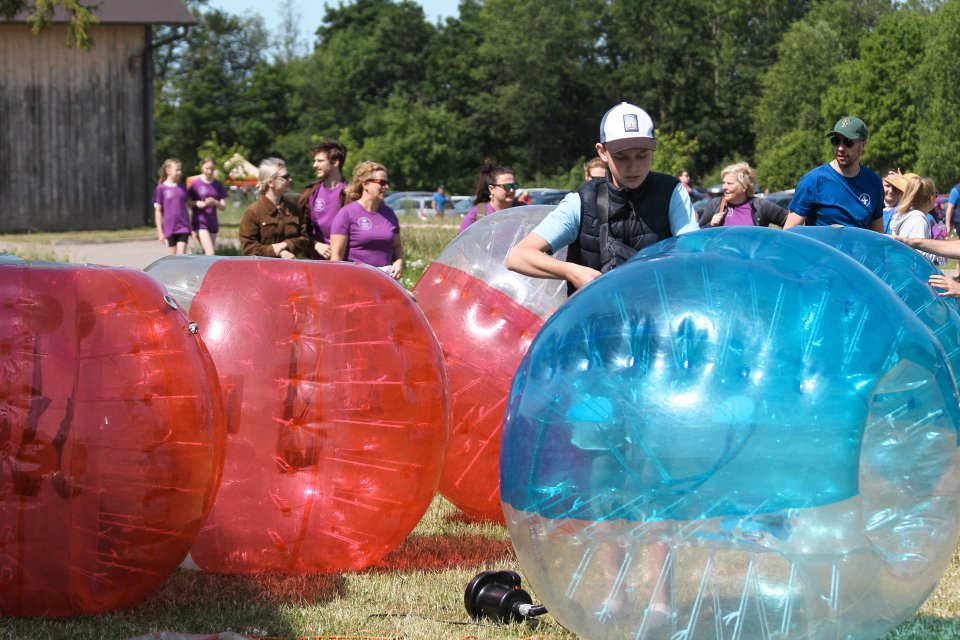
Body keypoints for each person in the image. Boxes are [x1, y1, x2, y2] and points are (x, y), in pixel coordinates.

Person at [505, 102, 698, 293]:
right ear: (602, 152)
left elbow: (693, 256)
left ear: (653, 148)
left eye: (642, 155)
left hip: (658, 314)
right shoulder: (582, 200)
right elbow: (517, 257)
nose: (633, 167)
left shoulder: (672, 191)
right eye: (621, 157)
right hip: (596, 319)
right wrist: (574, 272)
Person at [782, 116, 884, 231]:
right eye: (835, 141)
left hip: (858, 249)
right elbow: (789, 232)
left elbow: (878, 237)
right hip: (821, 249)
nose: (840, 148)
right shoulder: (813, 180)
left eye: (848, 142)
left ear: (862, 145)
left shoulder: (874, 183)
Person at [330, 161, 404, 280]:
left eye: (387, 183)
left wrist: (399, 261)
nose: (386, 187)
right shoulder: (347, 213)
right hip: (356, 280)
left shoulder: (389, 213)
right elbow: (336, 257)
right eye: (382, 183)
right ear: (365, 184)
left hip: (385, 281)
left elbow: (397, 246)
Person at [238, 158, 312, 258]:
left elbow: (305, 238)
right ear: (270, 182)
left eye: (289, 176)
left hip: (290, 269)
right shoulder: (253, 212)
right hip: (262, 270)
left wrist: (287, 244)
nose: (290, 180)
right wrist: (277, 252)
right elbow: (248, 247)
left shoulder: (294, 209)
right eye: (285, 177)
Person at [297, 138, 347, 260]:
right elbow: (299, 228)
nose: (315, 165)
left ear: (335, 162)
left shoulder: (351, 194)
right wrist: (315, 244)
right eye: (315, 161)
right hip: (316, 261)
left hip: (346, 262)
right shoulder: (310, 193)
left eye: (320, 161)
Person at [698, 162, 788, 228]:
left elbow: (790, 221)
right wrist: (711, 225)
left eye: (729, 183)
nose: (724, 187)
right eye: (723, 183)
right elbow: (697, 234)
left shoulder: (761, 206)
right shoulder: (715, 204)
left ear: (744, 186)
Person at [889, 174, 939, 264]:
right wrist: (938, 250)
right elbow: (921, 255)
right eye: (936, 194)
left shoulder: (906, 215)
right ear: (931, 198)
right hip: (912, 272)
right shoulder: (919, 220)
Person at [458, 161, 519, 233]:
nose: (512, 190)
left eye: (514, 186)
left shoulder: (524, 209)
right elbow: (461, 241)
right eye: (507, 186)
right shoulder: (479, 212)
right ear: (491, 189)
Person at [187, 156, 227, 256]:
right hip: (200, 222)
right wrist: (198, 203)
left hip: (213, 222)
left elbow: (223, 207)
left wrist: (215, 202)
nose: (209, 171)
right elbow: (187, 203)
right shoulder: (195, 184)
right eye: (207, 168)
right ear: (202, 167)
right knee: (210, 253)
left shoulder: (218, 184)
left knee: (207, 254)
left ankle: (200, 271)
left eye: (212, 169)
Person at [153, 158, 191, 255]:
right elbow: (158, 211)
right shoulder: (161, 188)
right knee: (172, 259)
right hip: (169, 228)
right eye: (177, 170)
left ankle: (183, 271)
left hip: (183, 227)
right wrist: (160, 232)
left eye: (180, 170)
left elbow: (186, 208)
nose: (179, 172)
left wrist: (191, 227)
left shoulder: (183, 187)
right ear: (168, 170)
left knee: (181, 256)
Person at [881, 169, 905, 234]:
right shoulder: (873, 207)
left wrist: (903, 181)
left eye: (895, 187)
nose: (891, 190)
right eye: (887, 186)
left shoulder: (904, 209)